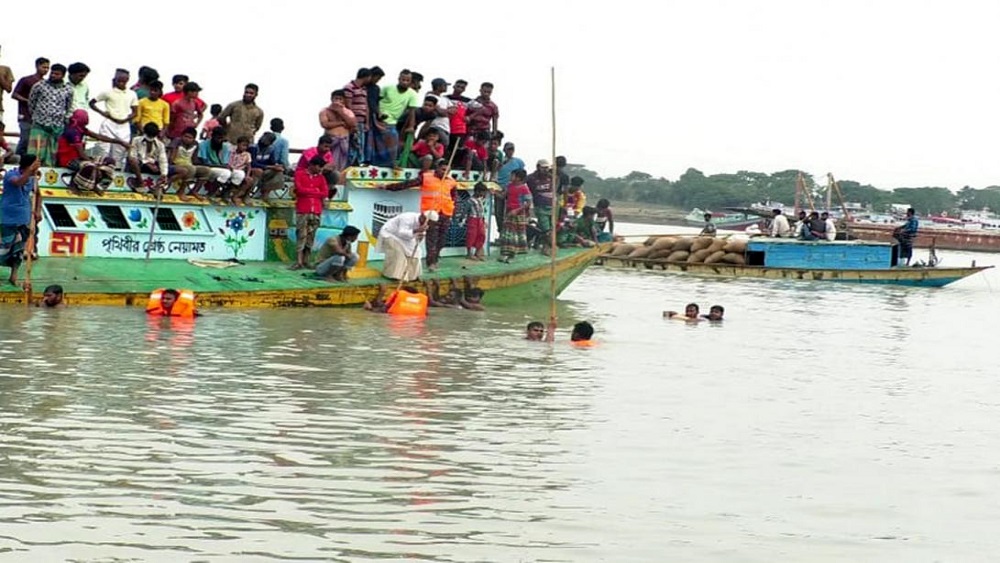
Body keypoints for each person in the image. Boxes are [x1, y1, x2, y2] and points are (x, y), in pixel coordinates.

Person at [0, 155, 41, 287]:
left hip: (24, 218)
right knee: (4, 248)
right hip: (7, 217)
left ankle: (14, 276)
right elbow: (19, 183)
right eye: (35, 165)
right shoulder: (10, 174)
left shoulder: (33, 179)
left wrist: (38, 211)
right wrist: (31, 171)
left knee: (19, 249)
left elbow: (38, 195)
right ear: (28, 166)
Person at [89, 68, 139, 168]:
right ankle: (99, 171)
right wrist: (103, 113)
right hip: (109, 123)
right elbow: (92, 103)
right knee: (103, 149)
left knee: (119, 152)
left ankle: (116, 175)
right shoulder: (108, 92)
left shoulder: (132, 94)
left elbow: (135, 112)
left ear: (127, 80)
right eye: (119, 80)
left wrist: (125, 119)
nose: (121, 83)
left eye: (124, 81)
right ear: (114, 80)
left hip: (124, 126)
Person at [291, 155, 329, 270]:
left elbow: (325, 193)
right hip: (303, 209)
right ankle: (299, 261)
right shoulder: (299, 174)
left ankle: (306, 261)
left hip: (316, 210)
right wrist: (315, 191)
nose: (320, 169)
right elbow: (299, 190)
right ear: (312, 165)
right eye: (319, 167)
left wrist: (309, 192)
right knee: (301, 235)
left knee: (311, 236)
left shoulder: (321, 178)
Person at [376, 210, 431, 280]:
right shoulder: (407, 217)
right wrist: (417, 230)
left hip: (407, 238)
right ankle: (393, 275)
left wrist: (420, 237)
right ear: (422, 217)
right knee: (398, 253)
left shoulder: (425, 224)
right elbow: (401, 232)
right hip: (391, 234)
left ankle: (412, 276)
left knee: (417, 253)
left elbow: (419, 237)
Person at [499, 168, 532, 262]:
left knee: (515, 234)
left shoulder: (524, 188)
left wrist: (517, 210)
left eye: (512, 175)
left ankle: (512, 255)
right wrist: (494, 192)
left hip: (518, 213)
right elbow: (503, 196)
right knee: (507, 233)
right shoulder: (509, 186)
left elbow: (528, 203)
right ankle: (506, 253)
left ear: (518, 178)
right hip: (509, 212)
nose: (510, 177)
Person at [464, 182, 488, 260]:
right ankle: (469, 253)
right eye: (482, 192)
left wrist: (483, 220)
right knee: (471, 235)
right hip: (472, 219)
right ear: (477, 191)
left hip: (480, 219)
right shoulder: (470, 200)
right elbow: (466, 210)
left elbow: (483, 210)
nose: (483, 194)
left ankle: (478, 252)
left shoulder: (481, 199)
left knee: (481, 235)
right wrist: (463, 219)